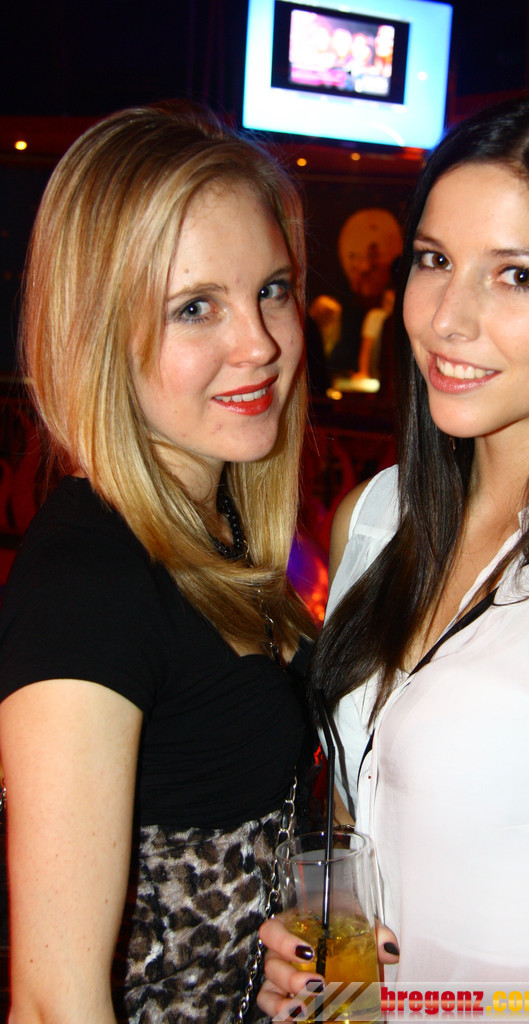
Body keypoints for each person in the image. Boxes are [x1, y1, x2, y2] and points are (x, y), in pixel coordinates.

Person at [257, 93, 529, 1020]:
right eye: (435, 260)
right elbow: (373, 805)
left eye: (518, 276)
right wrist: (327, 950)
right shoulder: (378, 518)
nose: (448, 319)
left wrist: (434, 1003)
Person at [0, 101, 318, 1023]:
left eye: (272, 289)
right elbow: (54, 1003)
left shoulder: (219, 523)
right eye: (194, 308)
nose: (260, 343)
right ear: (99, 333)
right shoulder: (90, 584)